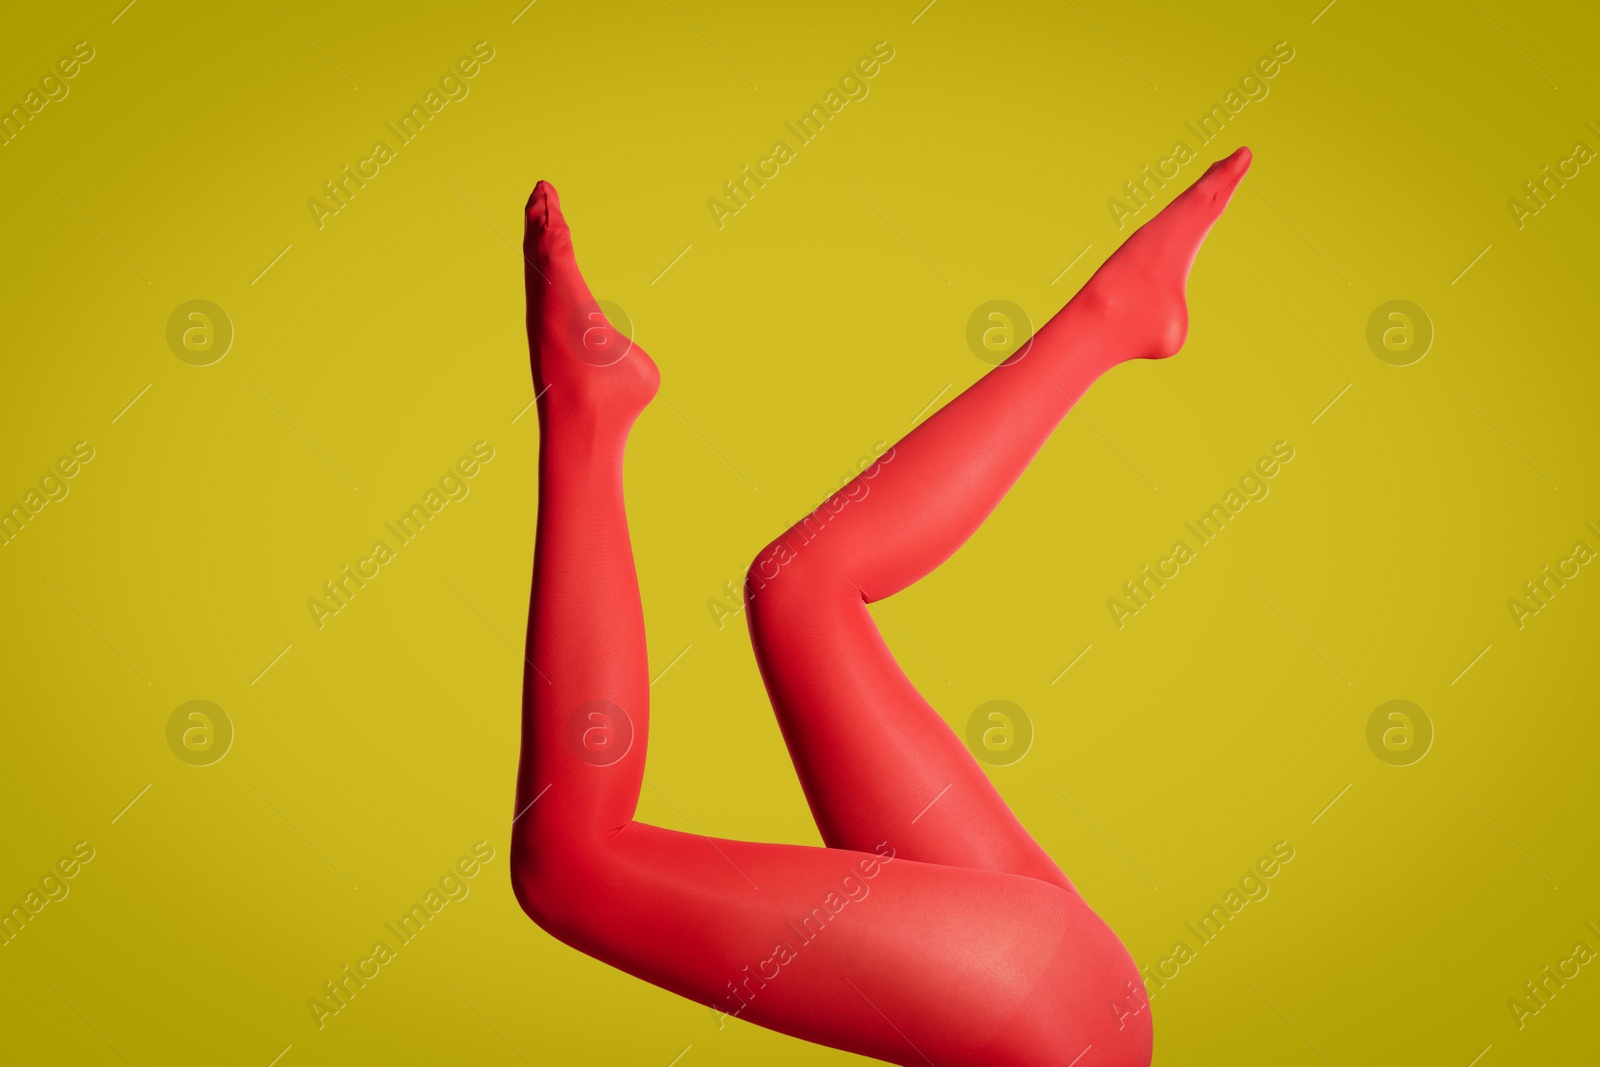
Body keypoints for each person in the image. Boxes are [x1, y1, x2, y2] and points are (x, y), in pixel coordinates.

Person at [509, 146, 1253, 1066]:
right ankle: (585, 416)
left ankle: (1115, 314)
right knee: (573, 866)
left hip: (1078, 1000)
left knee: (800, 590)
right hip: (1036, 1019)